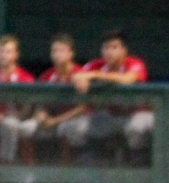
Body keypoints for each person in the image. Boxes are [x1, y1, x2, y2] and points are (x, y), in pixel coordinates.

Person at [65, 30, 153, 161]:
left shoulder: (134, 63)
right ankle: (87, 165)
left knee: (136, 128)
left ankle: (139, 164)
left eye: (114, 47)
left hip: (136, 114)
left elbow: (127, 79)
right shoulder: (96, 65)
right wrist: (80, 79)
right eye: (106, 47)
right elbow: (77, 75)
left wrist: (95, 75)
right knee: (74, 127)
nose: (109, 52)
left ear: (124, 50)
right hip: (109, 116)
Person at [0, 34, 37, 164]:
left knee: (10, 124)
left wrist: (3, 116)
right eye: (1, 51)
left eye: (8, 52)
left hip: (13, 120)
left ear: (16, 55)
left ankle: (5, 168)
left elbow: (25, 112)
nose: (3, 55)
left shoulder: (25, 79)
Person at [34, 33, 87, 161]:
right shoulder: (47, 76)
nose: (57, 54)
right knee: (29, 127)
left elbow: (84, 108)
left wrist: (56, 120)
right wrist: (41, 114)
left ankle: (71, 164)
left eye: (62, 51)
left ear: (71, 53)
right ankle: (30, 168)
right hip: (54, 117)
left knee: (66, 128)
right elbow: (41, 104)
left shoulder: (81, 74)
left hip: (79, 119)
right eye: (54, 51)